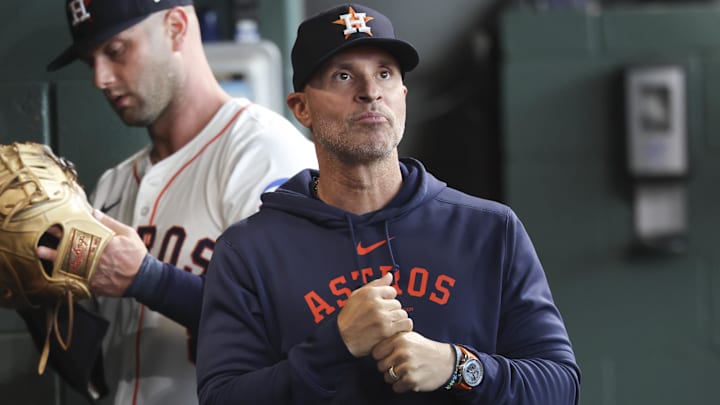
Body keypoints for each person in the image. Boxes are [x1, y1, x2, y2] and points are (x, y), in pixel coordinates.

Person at [196, 3, 580, 405]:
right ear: (301, 108)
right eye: (343, 76)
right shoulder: (249, 251)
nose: (370, 91)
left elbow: (560, 386)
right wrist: (334, 346)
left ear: (403, 95)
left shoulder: (490, 229)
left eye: (385, 73)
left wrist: (457, 367)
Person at [28, 0, 317, 404]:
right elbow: (96, 372)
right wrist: (33, 294)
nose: (100, 78)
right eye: (90, 60)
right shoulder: (112, 187)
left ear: (177, 27)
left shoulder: (266, 153)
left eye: (115, 50)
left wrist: (148, 281)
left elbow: (301, 325)